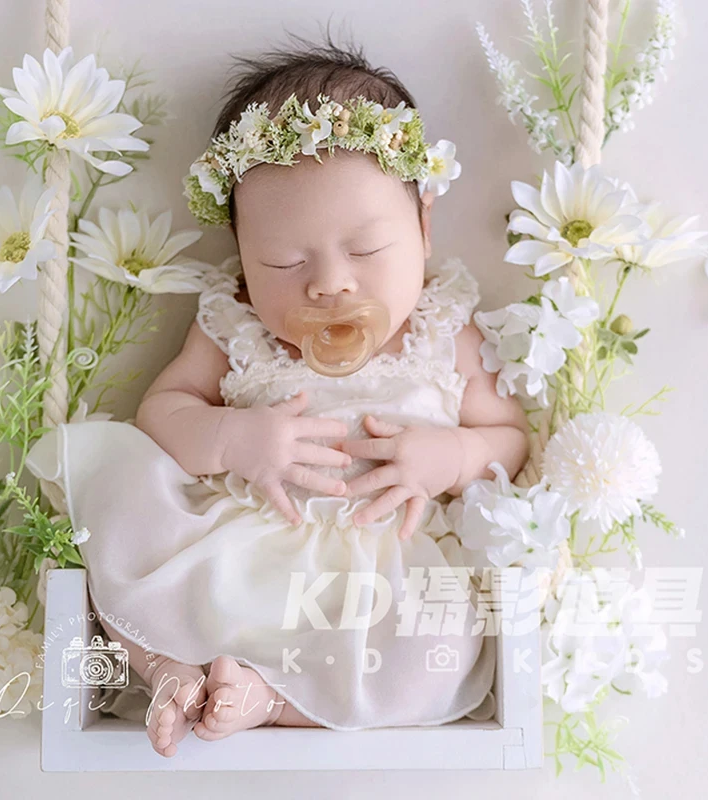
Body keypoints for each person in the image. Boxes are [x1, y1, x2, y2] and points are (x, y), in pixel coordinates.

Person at [27, 28, 530, 758]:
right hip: (243, 543)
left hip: (382, 569)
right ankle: (170, 667)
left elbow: (510, 440)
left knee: (436, 651)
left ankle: (267, 698)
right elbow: (161, 417)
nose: (329, 282)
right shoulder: (236, 326)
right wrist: (235, 439)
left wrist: (448, 456)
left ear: (423, 226)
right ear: (242, 259)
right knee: (121, 504)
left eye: (366, 249)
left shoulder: (445, 331)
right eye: (285, 260)